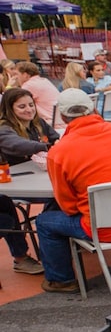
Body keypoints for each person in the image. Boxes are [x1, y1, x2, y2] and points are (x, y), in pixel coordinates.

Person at [35, 89, 111, 292]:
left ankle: (61, 279)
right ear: (93, 109)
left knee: (44, 222)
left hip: (105, 228)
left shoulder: (59, 152)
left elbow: (68, 207)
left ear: (63, 117)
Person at [0, 88, 56, 275]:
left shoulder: (38, 123)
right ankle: (21, 257)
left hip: (41, 177)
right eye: (22, 106)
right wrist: (47, 146)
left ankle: (60, 245)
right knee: (5, 203)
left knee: (60, 194)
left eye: (31, 105)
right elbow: (17, 145)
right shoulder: (4, 128)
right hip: (15, 183)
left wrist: (58, 143)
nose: (29, 110)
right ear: (10, 109)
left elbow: (56, 138)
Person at [14, 61, 61, 130]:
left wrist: (8, 86)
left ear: (25, 75)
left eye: (16, 74)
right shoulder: (44, 80)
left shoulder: (29, 85)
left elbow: (12, 101)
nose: (15, 77)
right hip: (57, 120)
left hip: (48, 123)